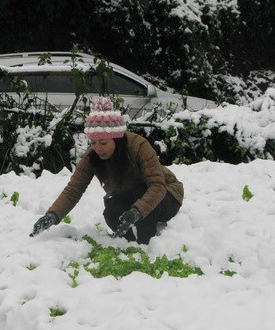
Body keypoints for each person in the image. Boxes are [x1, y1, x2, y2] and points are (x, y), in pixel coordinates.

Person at [31, 96, 183, 244]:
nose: (97, 148)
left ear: (116, 138)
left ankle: (146, 246)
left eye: (103, 143)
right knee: (111, 212)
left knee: (142, 196)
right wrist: (52, 215)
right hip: (131, 194)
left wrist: (136, 212)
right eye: (93, 142)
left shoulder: (138, 146)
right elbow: (74, 189)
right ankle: (128, 244)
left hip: (167, 194)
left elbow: (157, 185)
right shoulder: (93, 155)